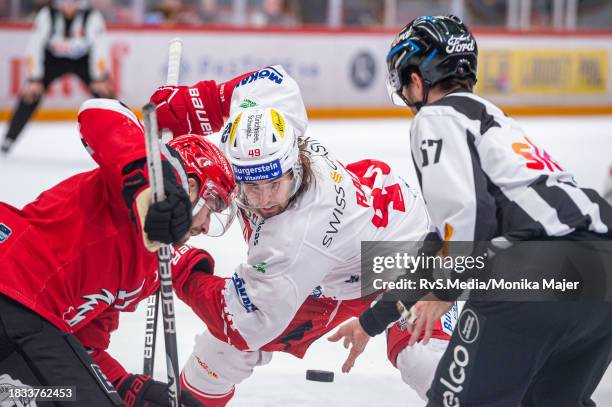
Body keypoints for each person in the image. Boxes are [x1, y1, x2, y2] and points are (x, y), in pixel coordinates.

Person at [331, 15, 612, 406]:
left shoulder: (436, 118)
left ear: (416, 79)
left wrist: (445, 292)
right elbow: (439, 245)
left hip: (534, 274)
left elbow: (467, 218)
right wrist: (370, 323)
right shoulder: (493, 121)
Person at [150, 64, 453, 405]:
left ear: (293, 163)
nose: (265, 201)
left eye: (274, 184)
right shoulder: (275, 130)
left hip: (403, 249)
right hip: (343, 258)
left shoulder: (292, 239)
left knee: (421, 360)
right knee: (216, 357)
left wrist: (178, 264)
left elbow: (241, 323)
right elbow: (269, 81)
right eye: (251, 186)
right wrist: (194, 107)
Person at [0, 98, 237, 406]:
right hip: (15, 285)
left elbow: (84, 345)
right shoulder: (127, 183)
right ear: (190, 187)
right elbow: (99, 112)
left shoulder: (149, 269)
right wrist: (159, 183)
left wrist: (130, 388)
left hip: (29, 326)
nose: (206, 227)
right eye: (212, 206)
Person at [1, 0, 113, 155]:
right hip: (53, 60)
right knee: (30, 95)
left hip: (83, 61)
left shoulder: (92, 16)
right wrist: (34, 78)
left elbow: (100, 47)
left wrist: (99, 77)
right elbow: (34, 45)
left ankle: (118, 139)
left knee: (106, 97)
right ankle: (9, 139)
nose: (68, 5)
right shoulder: (47, 14)